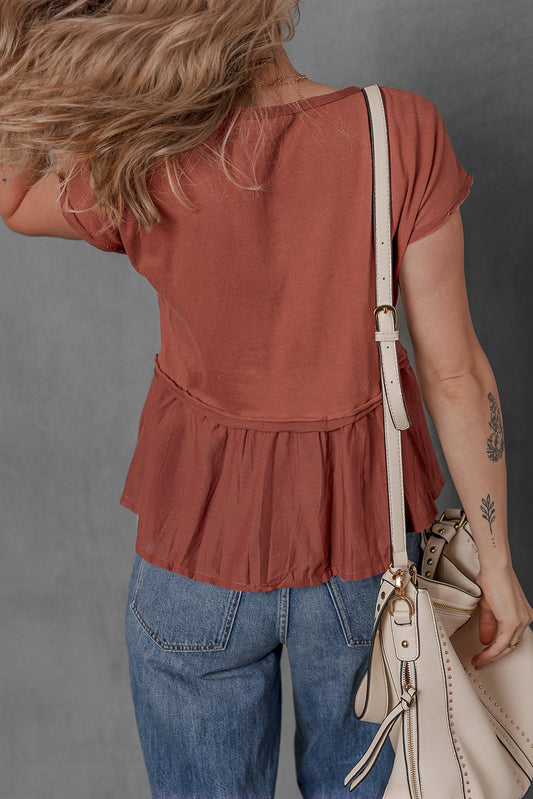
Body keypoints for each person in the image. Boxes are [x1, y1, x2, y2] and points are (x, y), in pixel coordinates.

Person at [1, 2, 532, 798]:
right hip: (362, 561)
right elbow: (454, 373)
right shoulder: (399, 131)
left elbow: (13, 201)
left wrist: (13, 39)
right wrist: (496, 564)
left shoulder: (141, 156)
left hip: (193, 559)